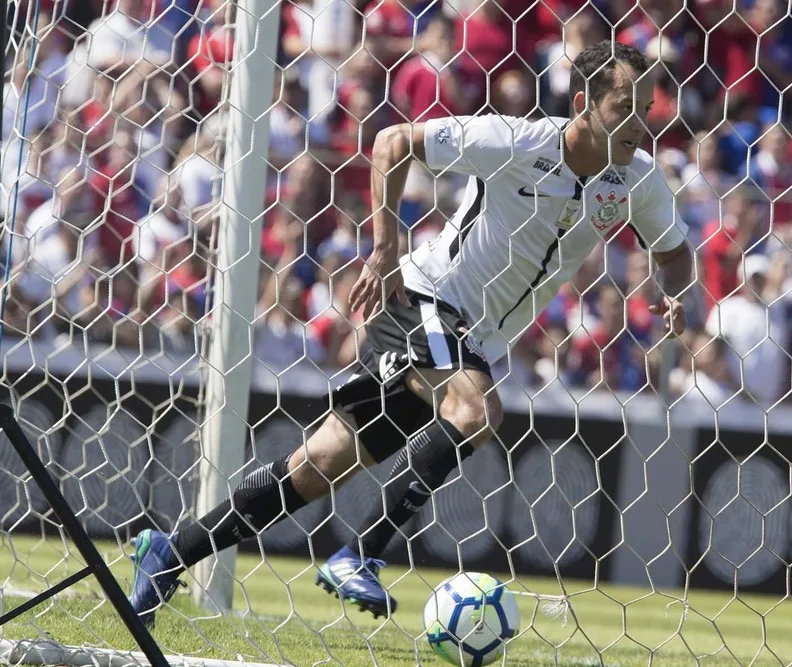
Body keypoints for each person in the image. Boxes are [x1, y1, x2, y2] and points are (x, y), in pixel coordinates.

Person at [129, 40, 693, 625]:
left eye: (647, 108)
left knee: (320, 463)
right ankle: (361, 554)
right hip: (428, 298)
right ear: (583, 103)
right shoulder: (518, 142)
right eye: (624, 107)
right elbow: (394, 141)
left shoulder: (637, 180)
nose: (639, 124)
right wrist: (385, 247)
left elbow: (676, 253)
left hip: (470, 338)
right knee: (476, 413)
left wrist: (677, 292)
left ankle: (172, 552)